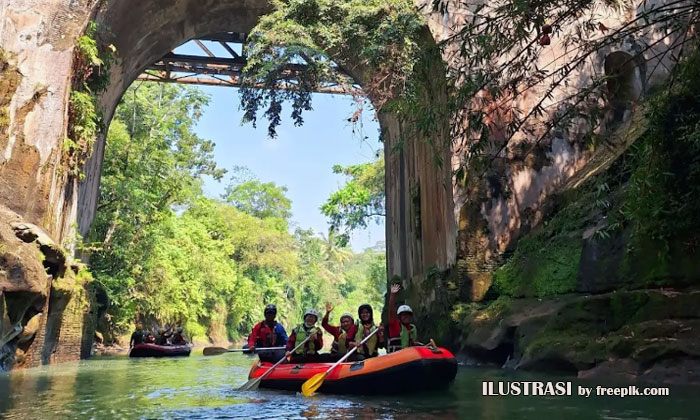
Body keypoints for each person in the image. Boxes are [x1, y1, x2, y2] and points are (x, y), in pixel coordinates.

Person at [387, 283, 419, 353]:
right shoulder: (395, 326)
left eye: (408, 315)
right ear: (399, 317)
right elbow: (391, 311)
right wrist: (392, 295)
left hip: (410, 357)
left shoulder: (413, 328)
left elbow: (415, 343)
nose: (406, 317)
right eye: (404, 315)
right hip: (396, 357)